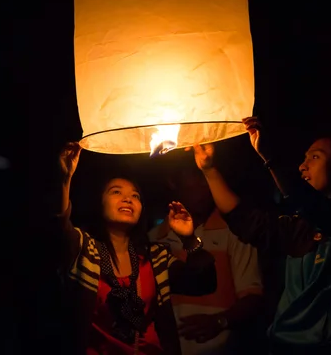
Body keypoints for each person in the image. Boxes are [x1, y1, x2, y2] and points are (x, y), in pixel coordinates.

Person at [187, 117, 331, 355]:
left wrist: (269, 158)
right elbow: (247, 221)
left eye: (315, 157)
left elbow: (309, 203)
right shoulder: (301, 226)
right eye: (304, 158)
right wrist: (209, 170)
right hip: (282, 346)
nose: (302, 166)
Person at [55, 142, 217, 355]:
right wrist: (64, 180)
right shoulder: (85, 249)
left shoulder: (155, 258)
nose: (127, 199)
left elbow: (203, 283)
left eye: (135, 196)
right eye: (116, 192)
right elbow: (58, 227)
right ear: (99, 203)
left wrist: (188, 239)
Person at [148, 167, 263, 355]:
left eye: (207, 176)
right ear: (173, 181)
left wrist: (219, 321)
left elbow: (253, 296)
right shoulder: (154, 239)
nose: (206, 184)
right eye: (198, 176)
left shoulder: (234, 233)